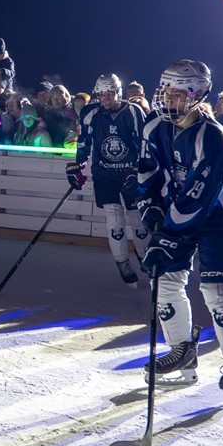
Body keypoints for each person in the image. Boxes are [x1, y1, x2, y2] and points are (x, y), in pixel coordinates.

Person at [137, 59, 223, 402]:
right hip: (179, 214)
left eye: (176, 93)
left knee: (217, 290)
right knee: (166, 281)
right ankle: (182, 349)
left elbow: (198, 196)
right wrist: (151, 210)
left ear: (198, 94)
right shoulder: (155, 126)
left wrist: (167, 233)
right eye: (165, 91)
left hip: (218, 218)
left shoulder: (213, 136)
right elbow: (148, 172)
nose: (167, 99)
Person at [67, 73, 148, 287]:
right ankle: (122, 262)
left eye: (110, 94)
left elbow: (143, 144)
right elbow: (84, 142)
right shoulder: (90, 113)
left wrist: (141, 170)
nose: (106, 99)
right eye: (102, 95)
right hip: (104, 173)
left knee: (137, 218)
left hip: (129, 173)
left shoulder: (133, 111)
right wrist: (77, 166)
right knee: (114, 218)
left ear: (118, 92)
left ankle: (146, 259)